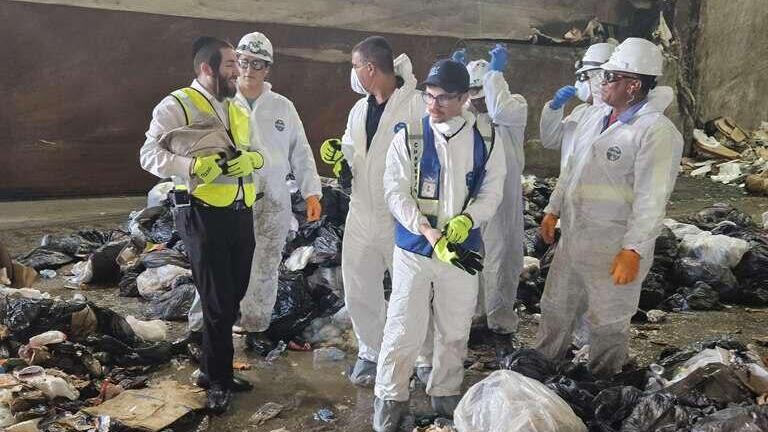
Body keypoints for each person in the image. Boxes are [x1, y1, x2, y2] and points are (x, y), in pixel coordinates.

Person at [534, 37, 683, 378]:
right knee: (555, 307)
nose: (602, 82)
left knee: (607, 321)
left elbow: (651, 199)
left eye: (611, 76)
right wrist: (553, 208)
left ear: (633, 85)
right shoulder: (594, 116)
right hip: (574, 237)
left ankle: (603, 384)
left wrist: (634, 249)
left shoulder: (656, 133)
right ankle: (543, 371)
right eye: (603, 75)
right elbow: (571, 169)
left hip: (613, 246)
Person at [373, 59, 505, 431]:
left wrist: (468, 219)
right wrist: (427, 231)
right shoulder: (410, 136)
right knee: (403, 327)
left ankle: (445, 391)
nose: (433, 105)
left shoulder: (487, 139)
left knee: (455, 326)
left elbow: (492, 191)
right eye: (429, 96)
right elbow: (394, 192)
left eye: (444, 98)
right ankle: (390, 398)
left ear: (464, 98)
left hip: (461, 254)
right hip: (415, 249)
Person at [139, 36, 264, 413]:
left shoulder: (237, 105)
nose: (238, 71)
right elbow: (149, 154)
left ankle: (214, 370)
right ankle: (219, 380)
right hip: (202, 212)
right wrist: (190, 167)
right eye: (230, 64)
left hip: (240, 211)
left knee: (231, 298)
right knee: (216, 301)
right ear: (207, 68)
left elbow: (257, 150)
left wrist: (252, 162)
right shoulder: (176, 104)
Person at [186, 32, 323, 355]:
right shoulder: (218, 101)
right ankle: (199, 328)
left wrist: (311, 192)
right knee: (215, 268)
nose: (249, 70)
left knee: (265, 266)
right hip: (228, 199)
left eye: (257, 64)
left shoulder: (282, 107)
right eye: (243, 62)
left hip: (272, 200)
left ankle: (255, 327)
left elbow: (300, 151)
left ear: (267, 69)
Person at [318, 36, 425, 386]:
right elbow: (353, 151)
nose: (353, 74)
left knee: (412, 291)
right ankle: (371, 352)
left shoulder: (416, 106)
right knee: (359, 286)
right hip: (361, 211)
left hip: (401, 217)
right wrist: (341, 161)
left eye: (354, 66)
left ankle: (422, 358)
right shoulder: (360, 109)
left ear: (370, 69)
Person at [458, 44, 527, 357]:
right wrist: (453, 77)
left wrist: (495, 75)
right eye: (472, 91)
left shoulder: (513, 107)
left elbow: (499, 109)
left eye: (480, 89)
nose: (478, 98)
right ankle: (475, 314)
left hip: (505, 195)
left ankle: (499, 322)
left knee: (502, 255)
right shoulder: (468, 118)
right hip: (471, 195)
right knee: (471, 254)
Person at [539, 42, 617, 173]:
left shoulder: (614, 117)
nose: (581, 83)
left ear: (601, 78)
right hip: (569, 188)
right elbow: (550, 141)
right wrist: (553, 109)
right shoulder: (581, 111)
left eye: (586, 77)